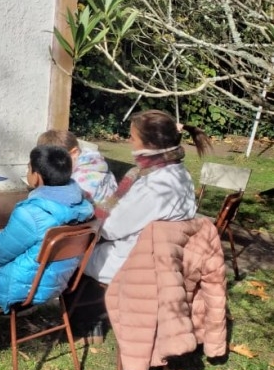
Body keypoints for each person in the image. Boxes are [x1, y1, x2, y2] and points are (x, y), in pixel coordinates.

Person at [0, 145, 94, 349]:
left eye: (28, 167)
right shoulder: (82, 206)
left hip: (23, 285)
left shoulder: (32, 213)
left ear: (37, 176)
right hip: (57, 282)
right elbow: (24, 240)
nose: (27, 172)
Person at [84, 110, 211, 284]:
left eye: (132, 138)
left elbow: (111, 228)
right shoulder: (181, 174)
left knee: (67, 254)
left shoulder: (154, 187)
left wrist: (93, 210)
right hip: (164, 255)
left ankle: (64, 296)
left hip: (132, 262)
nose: (129, 141)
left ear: (150, 144)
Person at [37, 129, 118, 205]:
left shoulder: (80, 181)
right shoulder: (95, 164)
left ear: (74, 153)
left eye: (55, 162)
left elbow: (66, 206)